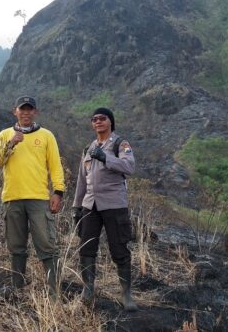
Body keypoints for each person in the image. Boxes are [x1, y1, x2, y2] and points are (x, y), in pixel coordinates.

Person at [0, 96, 65, 300]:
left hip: (39, 198)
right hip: (12, 198)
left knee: (47, 246)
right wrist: (11, 144)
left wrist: (58, 192)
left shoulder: (47, 135)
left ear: (36, 112)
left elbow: (55, 166)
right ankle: (18, 290)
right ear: (15, 111)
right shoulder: (5, 134)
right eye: (22, 109)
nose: (26, 113)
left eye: (30, 109)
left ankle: (54, 294)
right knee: (16, 247)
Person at [72, 107, 139, 312]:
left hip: (114, 204)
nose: (98, 122)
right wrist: (76, 207)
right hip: (90, 205)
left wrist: (105, 158)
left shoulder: (120, 144)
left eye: (102, 118)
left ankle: (126, 294)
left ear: (111, 121)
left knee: (119, 248)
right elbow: (82, 181)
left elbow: (129, 168)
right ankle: (88, 289)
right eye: (94, 119)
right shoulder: (88, 148)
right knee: (86, 247)